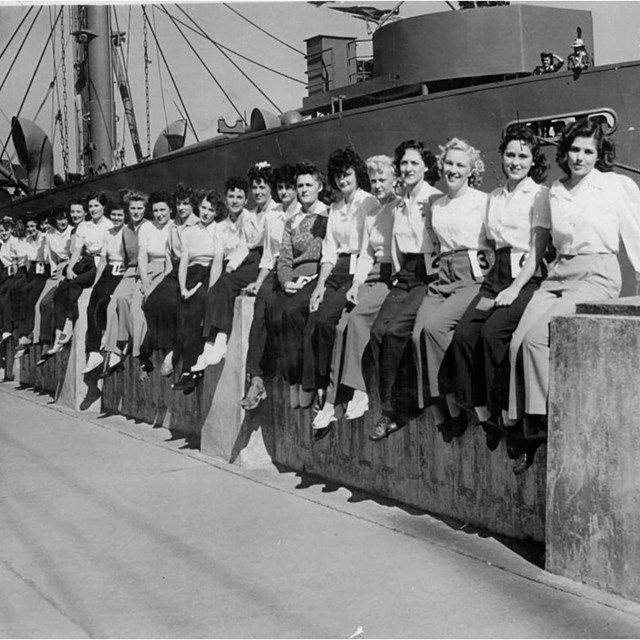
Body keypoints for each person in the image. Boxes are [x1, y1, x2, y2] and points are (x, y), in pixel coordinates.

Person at [508, 119, 640, 473]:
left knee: (536, 340)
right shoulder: (555, 189)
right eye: (575, 150)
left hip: (597, 273)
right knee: (516, 341)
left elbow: (636, 235)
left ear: (599, 154)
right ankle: (525, 423)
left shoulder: (614, 186)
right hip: (559, 274)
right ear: (564, 152)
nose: (580, 157)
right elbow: (541, 242)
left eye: (588, 151)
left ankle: (540, 429)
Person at [437, 124, 550, 451]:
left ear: (532, 160)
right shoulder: (496, 197)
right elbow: (486, 242)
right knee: (463, 336)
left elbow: (538, 248)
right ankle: (485, 413)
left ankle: (507, 417)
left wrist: (515, 288)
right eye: (510, 154)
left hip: (525, 275)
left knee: (493, 335)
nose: (516, 161)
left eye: (523, 156)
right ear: (502, 157)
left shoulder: (538, 195)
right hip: (495, 275)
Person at [312, 154, 399, 436]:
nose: (376, 185)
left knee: (358, 319)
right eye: (373, 180)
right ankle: (333, 400)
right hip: (368, 273)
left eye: (381, 179)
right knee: (340, 326)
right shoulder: (373, 212)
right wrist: (356, 284)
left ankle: (359, 390)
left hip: (390, 276)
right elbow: (365, 254)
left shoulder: (395, 207)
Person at [411, 138, 491, 442]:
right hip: (442, 277)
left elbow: (494, 246)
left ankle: (456, 406)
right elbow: (434, 246)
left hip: (472, 276)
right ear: (441, 166)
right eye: (449, 164)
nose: (453, 170)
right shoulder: (436, 205)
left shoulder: (483, 201)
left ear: (471, 170)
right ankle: (438, 408)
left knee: (435, 328)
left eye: (461, 165)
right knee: (417, 333)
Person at [365, 140, 441, 441]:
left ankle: (401, 409)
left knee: (398, 332)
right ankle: (388, 404)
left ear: (425, 166)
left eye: (414, 163)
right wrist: (397, 276)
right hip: (405, 274)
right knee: (377, 331)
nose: (408, 169)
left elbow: (439, 241)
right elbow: (396, 245)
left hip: (429, 273)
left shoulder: (433, 199)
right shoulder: (399, 204)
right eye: (404, 164)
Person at [302, 147, 378, 409]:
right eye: (337, 176)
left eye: (346, 175)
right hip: (336, 270)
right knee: (312, 318)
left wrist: (357, 282)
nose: (342, 180)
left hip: (358, 268)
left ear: (356, 173)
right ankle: (316, 386)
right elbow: (329, 252)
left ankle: (330, 390)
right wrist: (319, 286)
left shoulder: (368, 203)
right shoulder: (335, 207)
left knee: (326, 321)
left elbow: (369, 248)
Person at [196, 167, 280, 370]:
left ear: (270, 189)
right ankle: (209, 342)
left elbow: (273, 251)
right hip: (249, 259)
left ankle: (221, 337)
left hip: (266, 262)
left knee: (225, 285)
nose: (258, 191)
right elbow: (244, 244)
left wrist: (259, 279)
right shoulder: (250, 215)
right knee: (219, 284)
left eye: (262, 187)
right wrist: (232, 265)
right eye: (255, 187)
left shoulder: (276, 213)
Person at [241, 163, 300, 410]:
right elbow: (267, 255)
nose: (284, 192)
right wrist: (258, 281)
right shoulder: (273, 217)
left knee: (279, 315)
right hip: (275, 271)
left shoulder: (305, 213)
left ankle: (278, 374)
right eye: (281, 187)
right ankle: (256, 378)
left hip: (298, 272)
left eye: (289, 187)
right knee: (260, 312)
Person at [171, 190, 237, 392]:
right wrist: (183, 288)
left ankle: (189, 372)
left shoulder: (218, 229)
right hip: (190, 273)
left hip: (209, 274)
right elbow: (183, 261)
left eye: (211, 210)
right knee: (178, 309)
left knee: (194, 310)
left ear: (217, 212)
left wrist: (211, 290)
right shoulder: (189, 231)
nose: (206, 213)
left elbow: (217, 260)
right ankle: (187, 370)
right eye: (204, 208)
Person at [276, 161, 329, 409]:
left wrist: (313, 279)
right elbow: (284, 258)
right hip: (295, 279)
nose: (304, 189)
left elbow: (330, 254)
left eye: (309, 184)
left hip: (319, 275)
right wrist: (286, 281)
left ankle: (306, 382)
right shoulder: (292, 221)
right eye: (300, 185)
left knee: (294, 313)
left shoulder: (328, 216)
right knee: (276, 315)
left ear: (319, 186)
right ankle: (292, 380)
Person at [38, 193, 113, 363]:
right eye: (91, 206)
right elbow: (77, 250)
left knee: (76, 284)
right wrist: (70, 268)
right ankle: (58, 336)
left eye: (96, 206)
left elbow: (104, 256)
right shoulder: (83, 226)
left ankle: (69, 324)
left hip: (102, 263)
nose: (93, 209)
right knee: (61, 290)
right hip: (85, 261)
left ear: (103, 208)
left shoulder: (108, 225)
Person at [139, 184, 199, 377]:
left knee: (175, 304)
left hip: (195, 270)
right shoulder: (173, 227)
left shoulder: (198, 224)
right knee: (153, 301)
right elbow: (169, 256)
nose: (182, 208)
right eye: (179, 204)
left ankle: (172, 353)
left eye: (186, 204)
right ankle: (166, 349)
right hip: (175, 271)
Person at [100, 190, 152, 376]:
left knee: (137, 308)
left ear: (145, 209)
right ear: (128, 210)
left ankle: (122, 350)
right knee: (115, 302)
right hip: (130, 271)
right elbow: (125, 258)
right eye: (133, 208)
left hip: (147, 270)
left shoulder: (150, 226)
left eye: (140, 208)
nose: (136, 212)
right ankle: (120, 344)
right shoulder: (126, 230)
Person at [81, 201, 127, 374]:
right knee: (91, 305)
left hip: (122, 272)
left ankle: (108, 341)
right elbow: (103, 261)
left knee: (105, 303)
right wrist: (96, 283)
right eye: (113, 214)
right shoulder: (108, 233)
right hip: (108, 271)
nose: (116, 218)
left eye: (120, 215)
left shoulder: (128, 232)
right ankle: (93, 352)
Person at [34, 205, 73, 347]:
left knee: (54, 300)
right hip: (57, 270)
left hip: (71, 266)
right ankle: (44, 339)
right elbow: (51, 257)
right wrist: (54, 273)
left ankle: (57, 336)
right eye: (59, 218)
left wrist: (66, 266)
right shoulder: (50, 234)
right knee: (43, 303)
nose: (62, 221)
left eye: (64, 217)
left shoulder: (72, 231)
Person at [15, 213, 50, 357]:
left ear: (38, 226)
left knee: (33, 295)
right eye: (28, 227)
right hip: (33, 270)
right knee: (21, 292)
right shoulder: (27, 240)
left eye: (33, 226)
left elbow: (47, 258)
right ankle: (22, 333)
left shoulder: (44, 237)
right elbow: (25, 259)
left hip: (44, 271)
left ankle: (28, 333)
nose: (31, 229)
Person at [0, 216, 28, 345]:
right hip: (8, 273)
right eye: (1, 231)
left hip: (19, 271)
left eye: (6, 230)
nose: (3, 233)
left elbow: (21, 259)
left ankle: (9, 328)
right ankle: (4, 326)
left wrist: (18, 272)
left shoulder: (15, 241)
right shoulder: (3, 243)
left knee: (8, 293)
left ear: (11, 229)